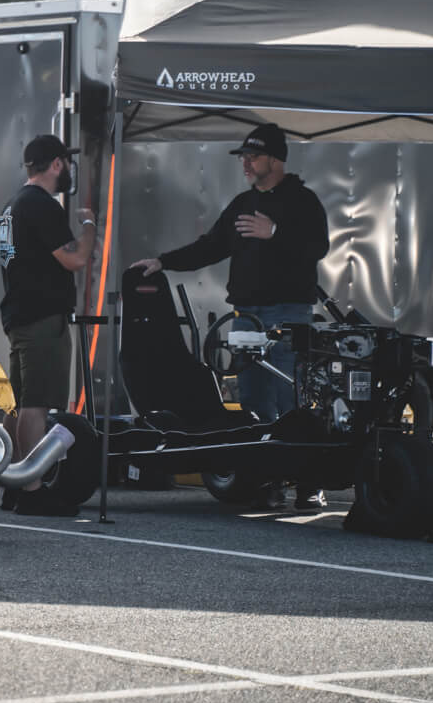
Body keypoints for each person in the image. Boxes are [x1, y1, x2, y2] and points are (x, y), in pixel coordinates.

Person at [130, 121, 331, 509]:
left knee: (292, 395)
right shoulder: (243, 204)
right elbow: (210, 247)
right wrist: (163, 262)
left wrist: (275, 234)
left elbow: (317, 248)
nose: (246, 164)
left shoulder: (303, 202)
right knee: (255, 399)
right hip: (246, 316)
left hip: (288, 314)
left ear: (275, 159)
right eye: (244, 157)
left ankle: (308, 483)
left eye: (253, 157)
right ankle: (266, 479)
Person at [0, 134, 97, 516]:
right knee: (35, 404)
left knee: (18, 402)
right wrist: (88, 226)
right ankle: (32, 488)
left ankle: (8, 481)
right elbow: (74, 260)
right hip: (40, 317)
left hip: (19, 314)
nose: (69, 170)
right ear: (56, 164)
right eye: (67, 163)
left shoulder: (13, 205)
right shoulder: (41, 206)